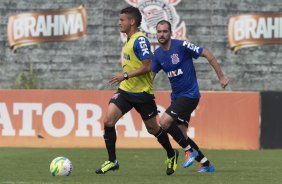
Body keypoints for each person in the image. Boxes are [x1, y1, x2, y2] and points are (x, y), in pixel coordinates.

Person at [95, 7, 178, 175]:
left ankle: (171, 154)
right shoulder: (129, 39)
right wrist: (125, 80)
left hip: (142, 94)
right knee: (108, 121)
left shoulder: (140, 40)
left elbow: (147, 66)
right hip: (125, 91)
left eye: (122, 20)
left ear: (132, 21)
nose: (119, 23)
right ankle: (112, 161)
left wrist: (124, 75)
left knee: (153, 129)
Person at [152, 20, 229, 172]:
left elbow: (207, 53)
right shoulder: (158, 55)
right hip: (177, 97)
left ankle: (189, 151)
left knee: (164, 122)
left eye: (165, 31)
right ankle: (206, 164)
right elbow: (151, 77)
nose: (162, 34)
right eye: (159, 32)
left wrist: (221, 77)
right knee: (182, 135)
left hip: (190, 95)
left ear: (170, 32)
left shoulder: (181, 46)